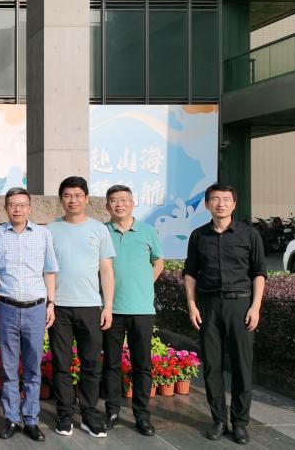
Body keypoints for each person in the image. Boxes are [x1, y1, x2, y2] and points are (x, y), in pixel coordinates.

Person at [184, 184, 266, 445]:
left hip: (240, 306)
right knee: (212, 366)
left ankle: (240, 423)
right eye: (215, 199)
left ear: (234, 204)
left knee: (242, 365)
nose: (221, 204)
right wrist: (192, 305)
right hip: (209, 306)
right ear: (207, 204)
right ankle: (219, 419)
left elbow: (259, 273)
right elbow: (190, 272)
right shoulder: (198, 236)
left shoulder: (249, 235)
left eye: (226, 199)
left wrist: (255, 307)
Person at [46, 176, 115, 438]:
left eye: (77, 195)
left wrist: (107, 306)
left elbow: (106, 270)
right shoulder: (50, 230)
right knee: (61, 364)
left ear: (86, 198)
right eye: (67, 195)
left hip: (90, 306)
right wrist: (49, 302)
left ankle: (89, 415)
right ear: (61, 199)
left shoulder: (99, 230)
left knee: (91, 364)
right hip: (60, 308)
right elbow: (45, 270)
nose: (72, 200)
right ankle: (65, 415)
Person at [0, 187, 57, 442]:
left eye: (22, 204)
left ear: (30, 207)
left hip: (36, 309)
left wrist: (51, 303)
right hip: (6, 307)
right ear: (6, 208)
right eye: (12, 205)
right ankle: (11, 419)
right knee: (8, 368)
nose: (17, 209)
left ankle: (31, 419)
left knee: (32, 367)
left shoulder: (43, 234)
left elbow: (50, 271)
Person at [102, 185, 163, 437]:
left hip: (141, 310)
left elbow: (158, 261)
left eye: (124, 200)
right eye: (114, 200)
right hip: (111, 309)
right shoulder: (102, 231)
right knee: (111, 364)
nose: (119, 204)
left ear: (133, 202)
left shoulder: (147, 231)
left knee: (142, 365)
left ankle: (142, 415)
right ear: (107, 205)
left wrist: (145, 284)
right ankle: (112, 411)